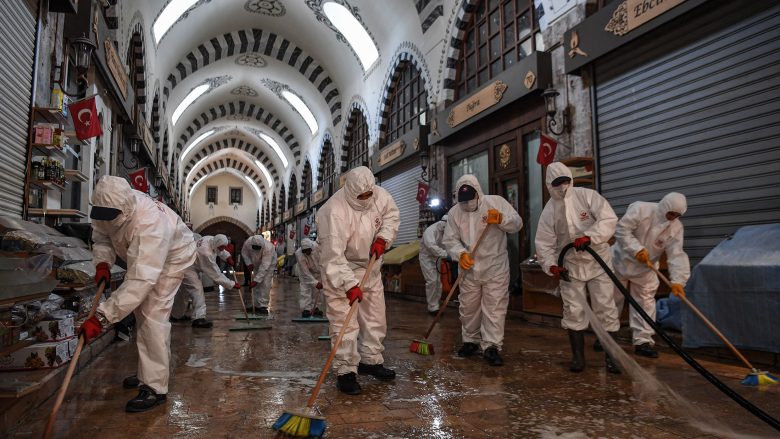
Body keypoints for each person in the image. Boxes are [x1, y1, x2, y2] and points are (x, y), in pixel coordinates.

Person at [78, 176, 197, 412]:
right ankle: (148, 371)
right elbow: (102, 235)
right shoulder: (109, 205)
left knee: (152, 315)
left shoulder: (149, 224)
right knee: (141, 313)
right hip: (147, 258)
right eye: (102, 215)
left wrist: (102, 317)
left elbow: (141, 281)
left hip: (173, 258)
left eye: (111, 216)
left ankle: (154, 387)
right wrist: (103, 263)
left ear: (127, 208)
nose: (107, 220)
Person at [317, 166, 400, 395]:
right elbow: (333, 256)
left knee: (375, 317)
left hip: (371, 266)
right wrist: (349, 285)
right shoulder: (332, 212)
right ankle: (346, 371)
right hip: (340, 269)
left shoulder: (379, 195)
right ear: (350, 191)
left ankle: (370, 360)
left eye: (369, 194)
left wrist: (383, 238)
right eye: (361, 196)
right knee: (344, 323)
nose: (366, 199)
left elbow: (391, 216)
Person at [534, 162, 621, 374]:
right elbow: (544, 242)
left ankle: (612, 359)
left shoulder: (587, 196)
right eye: (557, 183)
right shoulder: (549, 211)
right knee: (573, 311)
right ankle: (578, 358)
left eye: (565, 181)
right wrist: (551, 265)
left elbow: (609, 219)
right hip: (570, 267)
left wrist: (590, 236)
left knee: (605, 308)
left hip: (598, 262)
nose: (562, 186)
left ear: (570, 180)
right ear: (549, 185)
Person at [442, 175, 523, 367]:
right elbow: (449, 240)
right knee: (468, 307)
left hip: (495, 266)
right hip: (469, 268)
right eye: (463, 201)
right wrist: (460, 254)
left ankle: (491, 346)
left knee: (494, 307)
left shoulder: (496, 203)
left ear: (478, 193)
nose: (468, 203)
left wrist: (502, 219)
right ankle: (470, 341)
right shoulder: (455, 213)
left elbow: (517, 223)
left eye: (471, 199)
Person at [611, 192, 690, 358]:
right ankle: (606, 335)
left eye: (676, 215)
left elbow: (677, 254)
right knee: (612, 299)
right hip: (620, 262)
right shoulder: (641, 209)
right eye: (671, 213)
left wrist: (678, 281)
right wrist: (636, 249)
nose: (672, 217)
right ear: (664, 206)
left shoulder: (675, 227)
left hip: (646, 269)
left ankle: (643, 341)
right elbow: (621, 229)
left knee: (645, 303)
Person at [419, 215, 450, 316]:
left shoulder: (447, 231)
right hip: (427, 258)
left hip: (437, 258)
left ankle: (436, 305)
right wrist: (446, 254)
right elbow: (431, 247)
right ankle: (432, 307)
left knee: (438, 281)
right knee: (432, 281)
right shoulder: (430, 231)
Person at [241, 234, 276, 314]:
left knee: (265, 283)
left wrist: (256, 281)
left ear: (262, 245)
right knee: (256, 286)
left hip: (268, 265)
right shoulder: (248, 242)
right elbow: (244, 253)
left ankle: (263, 305)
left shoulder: (269, 248)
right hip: (256, 264)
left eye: (258, 248)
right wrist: (248, 263)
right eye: (254, 248)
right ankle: (256, 304)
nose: (256, 250)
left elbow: (264, 266)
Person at [295, 238, 324, 317]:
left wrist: (322, 277)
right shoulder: (298, 254)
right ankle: (306, 309)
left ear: (312, 248)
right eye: (305, 251)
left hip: (319, 271)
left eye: (308, 250)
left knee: (317, 291)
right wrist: (315, 282)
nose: (307, 252)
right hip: (305, 272)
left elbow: (324, 261)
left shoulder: (318, 248)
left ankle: (316, 307)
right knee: (305, 289)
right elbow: (305, 272)